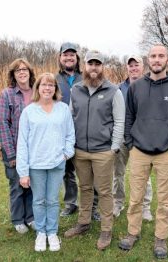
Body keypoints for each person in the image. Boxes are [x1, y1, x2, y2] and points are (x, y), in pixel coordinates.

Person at [118, 44, 168, 259]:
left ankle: (161, 238)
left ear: (167, 59)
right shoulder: (136, 87)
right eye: (153, 56)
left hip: (166, 152)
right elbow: (129, 117)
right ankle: (133, 233)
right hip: (139, 150)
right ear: (148, 60)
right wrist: (130, 143)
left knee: (165, 200)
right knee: (136, 197)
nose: (157, 59)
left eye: (161, 56)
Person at [64, 50, 125, 250]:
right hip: (80, 151)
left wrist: (114, 147)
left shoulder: (113, 91)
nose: (94, 68)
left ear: (102, 67)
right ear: (85, 66)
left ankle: (106, 230)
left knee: (105, 191)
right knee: (85, 188)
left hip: (103, 152)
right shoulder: (76, 89)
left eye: (98, 64)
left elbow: (119, 121)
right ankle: (83, 222)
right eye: (91, 63)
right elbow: (70, 117)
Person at [16, 73, 75, 252]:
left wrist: (67, 153)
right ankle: (41, 232)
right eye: (44, 85)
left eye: (51, 85)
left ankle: (52, 232)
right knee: (39, 200)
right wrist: (23, 172)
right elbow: (23, 143)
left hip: (57, 163)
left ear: (55, 89)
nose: (47, 88)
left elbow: (70, 134)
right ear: (38, 88)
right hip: (36, 165)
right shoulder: (29, 111)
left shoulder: (63, 109)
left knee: (53, 200)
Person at [56, 42, 100, 221]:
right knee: (67, 172)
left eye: (72, 55)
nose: (69, 57)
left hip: (84, 131)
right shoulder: (54, 79)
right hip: (62, 133)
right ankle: (71, 203)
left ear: (77, 58)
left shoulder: (87, 77)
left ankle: (94, 206)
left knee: (91, 172)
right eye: (65, 54)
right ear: (60, 58)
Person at [0, 58, 35, 234]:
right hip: (14, 148)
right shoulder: (8, 94)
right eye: (18, 70)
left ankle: (31, 217)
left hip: (34, 149)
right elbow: (3, 124)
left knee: (31, 184)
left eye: (24, 69)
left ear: (30, 72)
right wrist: (11, 154)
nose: (22, 72)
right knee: (17, 185)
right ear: (13, 74)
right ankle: (18, 219)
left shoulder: (37, 92)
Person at [113, 55, 153, 221]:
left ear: (142, 67)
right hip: (122, 137)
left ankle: (145, 207)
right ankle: (117, 203)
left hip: (142, 138)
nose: (134, 68)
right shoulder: (118, 89)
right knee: (117, 173)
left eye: (137, 65)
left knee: (144, 175)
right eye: (131, 66)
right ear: (127, 68)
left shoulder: (150, 86)